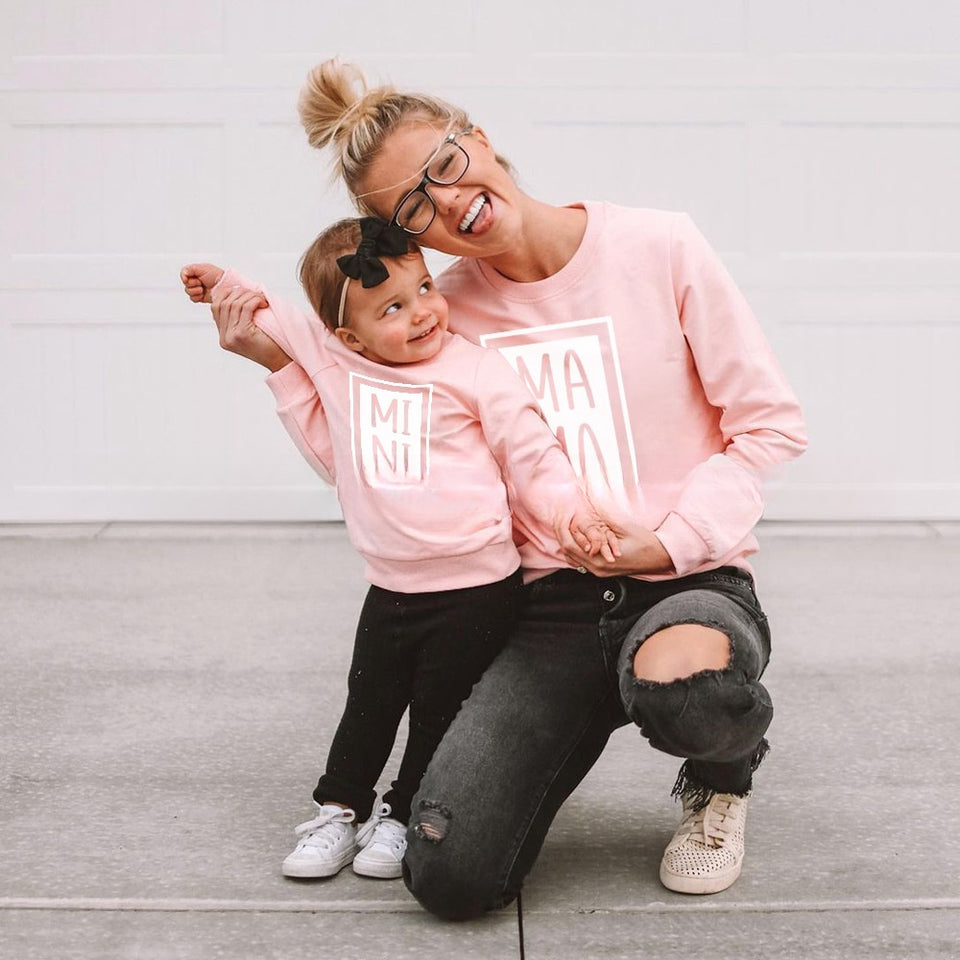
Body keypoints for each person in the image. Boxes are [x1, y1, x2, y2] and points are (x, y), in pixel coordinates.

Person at [182, 58, 807, 917]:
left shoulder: (660, 246)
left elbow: (768, 426)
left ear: (476, 137)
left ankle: (720, 781)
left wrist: (667, 541)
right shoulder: (435, 315)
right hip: (544, 608)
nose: (447, 202)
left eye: (444, 164)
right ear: (402, 237)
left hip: (686, 580)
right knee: (450, 875)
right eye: (413, 208)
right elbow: (379, 463)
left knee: (695, 694)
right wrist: (277, 361)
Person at [182, 215, 619, 882]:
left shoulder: (477, 371)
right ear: (349, 335)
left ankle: (400, 814)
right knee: (369, 705)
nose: (421, 312)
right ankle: (338, 812)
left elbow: (533, 455)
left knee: (438, 713)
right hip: (391, 587)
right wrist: (222, 284)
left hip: (477, 589)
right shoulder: (336, 360)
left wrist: (574, 518)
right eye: (391, 307)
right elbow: (276, 315)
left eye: (423, 288)